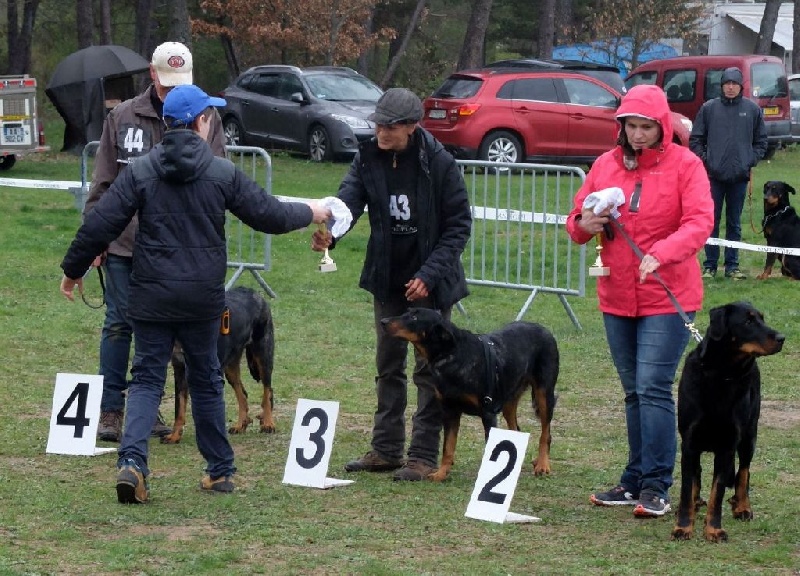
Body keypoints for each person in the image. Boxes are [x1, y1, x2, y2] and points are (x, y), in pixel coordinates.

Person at [60, 84, 331, 503]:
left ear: (168, 123)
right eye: (211, 116)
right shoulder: (221, 172)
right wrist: (311, 211)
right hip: (204, 299)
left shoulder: (141, 170)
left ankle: (132, 464)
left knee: (148, 379)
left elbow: (101, 223)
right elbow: (268, 214)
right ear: (202, 122)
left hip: (150, 295)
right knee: (206, 380)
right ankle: (219, 471)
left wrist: (73, 269)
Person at [566, 84, 714, 517]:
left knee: (652, 388)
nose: (638, 134)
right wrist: (584, 222)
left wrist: (661, 253)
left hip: (668, 296)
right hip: (617, 295)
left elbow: (700, 221)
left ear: (662, 126)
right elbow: (575, 222)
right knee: (633, 391)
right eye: (630, 125)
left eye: (646, 126)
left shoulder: (686, 165)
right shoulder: (604, 165)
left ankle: (657, 486)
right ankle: (633, 480)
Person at [311, 88, 472, 482]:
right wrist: (332, 232)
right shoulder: (368, 157)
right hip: (387, 277)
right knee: (388, 366)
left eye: (390, 126)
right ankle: (385, 449)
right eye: (378, 124)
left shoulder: (440, 163)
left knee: (428, 370)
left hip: (430, 284)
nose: (381, 132)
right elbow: (349, 201)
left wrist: (428, 275)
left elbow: (458, 227)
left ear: (412, 126)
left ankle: (422, 455)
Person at [85, 41, 228, 443]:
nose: (170, 90)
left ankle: (149, 407)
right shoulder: (122, 116)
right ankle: (111, 409)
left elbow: (217, 176)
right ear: (152, 74)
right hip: (125, 243)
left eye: (179, 83)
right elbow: (103, 181)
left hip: (175, 248)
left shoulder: (206, 117)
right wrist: (96, 235)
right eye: (166, 82)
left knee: (165, 335)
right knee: (118, 324)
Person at [689, 66, 768, 280]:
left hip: (739, 178)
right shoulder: (709, 109)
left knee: (734, 223)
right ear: (722, 86)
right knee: (711, 222)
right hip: (713, 177)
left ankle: (732, 265)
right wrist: (707, 161)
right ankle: (710, 265)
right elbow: (696, 139)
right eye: (727, 84)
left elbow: (761, 142)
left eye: (734, 84)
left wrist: (749, 161)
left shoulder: (752, 110)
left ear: (740, 86)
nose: (730, 87)